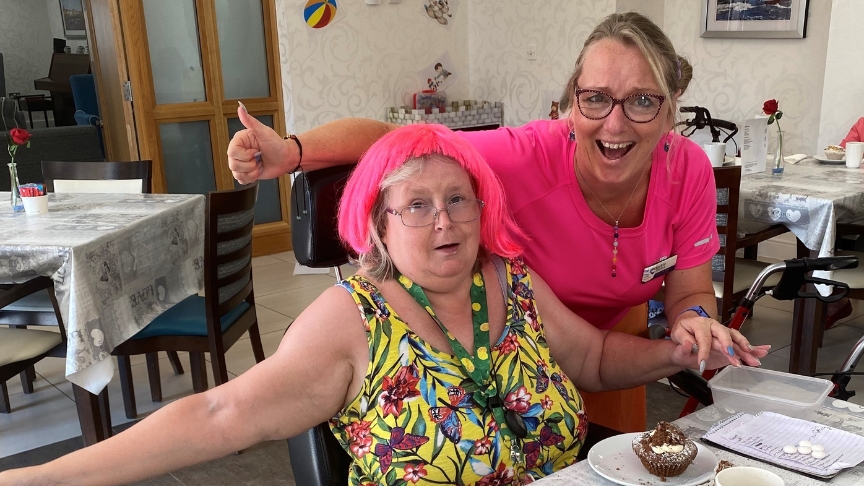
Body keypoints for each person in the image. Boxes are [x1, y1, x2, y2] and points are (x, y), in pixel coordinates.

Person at [0, 124, 768, 486]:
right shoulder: (350, 319)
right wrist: (39, 480)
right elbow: (219, 416)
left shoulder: (512, 280)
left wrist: (677, 350)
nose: (445, 221)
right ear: (375, 223)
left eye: (460, 200)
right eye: (418, 206)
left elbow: (596, 358)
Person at [226, 12, 718, 433]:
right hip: (519, 345)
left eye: (642, 101)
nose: (615, 124)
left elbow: (690, 289)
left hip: (616, 350)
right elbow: (399, 140)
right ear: (572, 100)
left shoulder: (688, 168)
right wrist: (290, 152)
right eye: (596, 98)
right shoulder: (522, 156)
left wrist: (693, 324)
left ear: (670, 106)